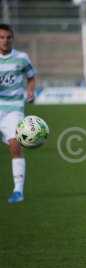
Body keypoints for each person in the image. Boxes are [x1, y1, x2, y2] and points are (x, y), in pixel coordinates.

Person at [0, 24, 36, 204]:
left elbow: (31, 76)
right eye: (1, 37)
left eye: (8, 37)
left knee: (15, 144)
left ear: (12, 39)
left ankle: (18, 191)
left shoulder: (22, 58)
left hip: (13, 108)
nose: (5, 41)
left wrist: (30, 91)